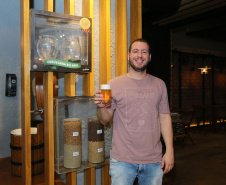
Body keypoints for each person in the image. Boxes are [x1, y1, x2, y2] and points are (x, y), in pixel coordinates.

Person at [94, 38, 174, 185]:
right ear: (128, 55)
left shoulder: (160, 85)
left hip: (153, 160)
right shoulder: (113, 84)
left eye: (144, 52)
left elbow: (165, 118)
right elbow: (104, 120)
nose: (140, 55)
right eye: (135, 51)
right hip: (122, 160)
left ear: (149, 57)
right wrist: (101, 106)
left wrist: (170, 151)